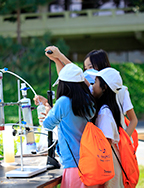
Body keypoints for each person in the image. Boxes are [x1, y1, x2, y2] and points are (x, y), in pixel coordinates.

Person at [35, 47, 97, 188]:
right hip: (90, 161)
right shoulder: (89, 101)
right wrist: (57, 58)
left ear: (63, 85)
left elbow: (48, 124)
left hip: (73, 163)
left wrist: (47, 110)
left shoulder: (63, 101)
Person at [83, 49, 138, 137]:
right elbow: (74, 73)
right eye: (85, 69)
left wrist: (123, 143)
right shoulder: (92, 90)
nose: (87, 72)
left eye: (90, 67)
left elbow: (133, 120)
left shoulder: (121, 90)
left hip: (112, 146)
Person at [90, 67, 124, 188]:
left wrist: (101, 178)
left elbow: (105, 147)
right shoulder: (109, 108)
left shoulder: (105, 113)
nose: (92, 86)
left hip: (109, 167)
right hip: (110, 165)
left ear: (104, 88)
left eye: (95, 82)